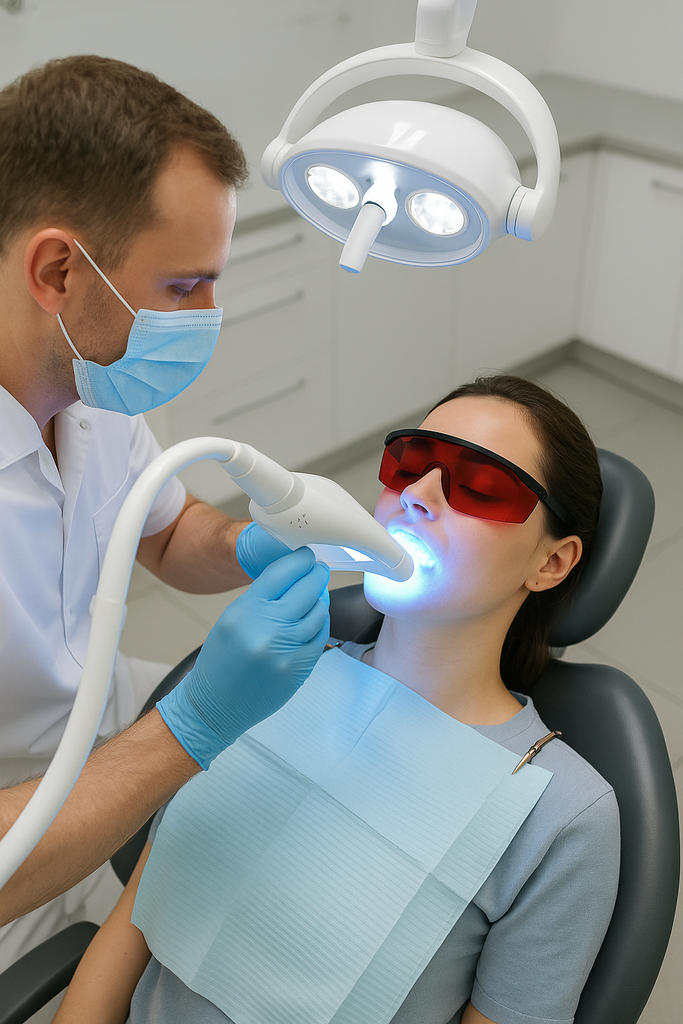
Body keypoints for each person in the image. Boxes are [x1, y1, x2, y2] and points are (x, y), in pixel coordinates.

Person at [53, 375, 621, 1024]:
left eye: (478, 485)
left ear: (550, 563)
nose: (417, 495)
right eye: (408, 464)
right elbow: (133, 924)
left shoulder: (562, 815)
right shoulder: (261, 685)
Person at [0, 54, 329, 964]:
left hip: (107, 716)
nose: (207, 317)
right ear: (59, 269)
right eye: (184, 289)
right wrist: (190, 728)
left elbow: (164, 531)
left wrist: (246, 541)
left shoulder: (91, 378)